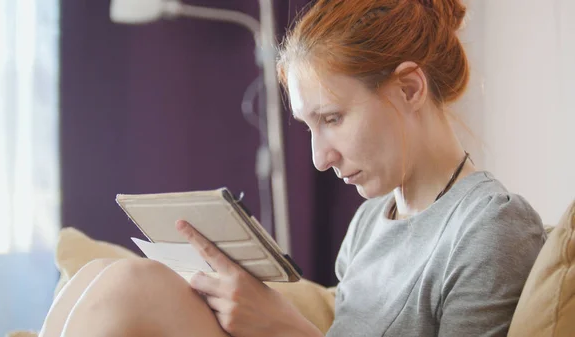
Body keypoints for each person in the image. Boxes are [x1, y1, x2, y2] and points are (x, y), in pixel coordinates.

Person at [39, 0, 546, 336]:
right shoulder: (371, 222)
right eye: (309, 126)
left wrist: (287, 329)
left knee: (135, 289)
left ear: (409, 88)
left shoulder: (490, 228)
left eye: (332, 118)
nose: (319, 158)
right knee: (101, 274)